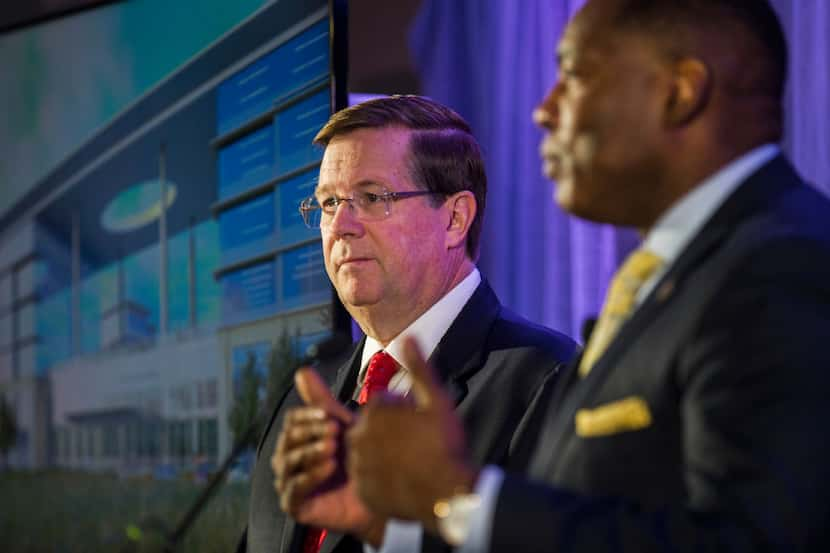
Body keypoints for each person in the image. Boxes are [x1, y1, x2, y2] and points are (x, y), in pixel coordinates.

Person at [342, 0, 830, 551]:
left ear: (680, 92)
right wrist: (400, 522)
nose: (544, 111)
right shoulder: (674, 282)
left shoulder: (783, 267)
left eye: (573, 76)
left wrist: (459, 497)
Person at [242, 95, 577, 553]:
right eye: (328, 203)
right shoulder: (304, 394)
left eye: (372, 197)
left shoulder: (547, 381)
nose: (340, 224)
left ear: (455, 219)